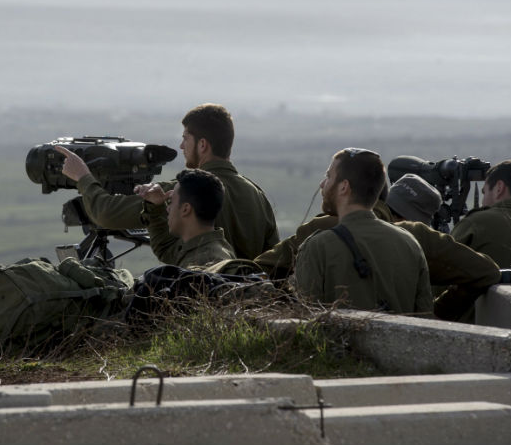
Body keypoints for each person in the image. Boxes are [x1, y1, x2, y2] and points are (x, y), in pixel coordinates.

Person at [60, 103, 279, 260]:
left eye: (186, 139)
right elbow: (274, 259)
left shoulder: (182, 191)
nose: (182, 147)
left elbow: (106, 213)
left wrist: (83, 177)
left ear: (202, 145)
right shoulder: (257, 195)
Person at [294, 148, 432, 314]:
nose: (323, 184)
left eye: (329, 176)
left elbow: (305, 321)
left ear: (344, 187)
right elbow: (425, 316)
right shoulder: (410, 244)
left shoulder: (318, 247)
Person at [57, 146, 234, 268]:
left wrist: (83, 177)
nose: (167, 209)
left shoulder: (204, 263)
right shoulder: (205, 246)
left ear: (186, 209)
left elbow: (106, 213)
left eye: (170, 202)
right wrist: (154, 206)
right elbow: (166, 248)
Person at [450, 159, 511, 268]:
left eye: (485, 192)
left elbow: (440, 270)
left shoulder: (476, 224)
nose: (483, 201)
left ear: (499, 188)